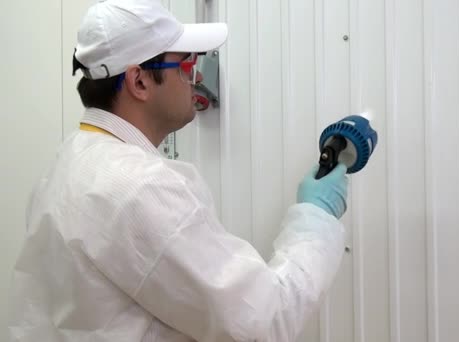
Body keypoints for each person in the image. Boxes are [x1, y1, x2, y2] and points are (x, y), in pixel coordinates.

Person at [7, 0, 349, 341]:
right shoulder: (139, 189)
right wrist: (315, 218)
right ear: (139, 82)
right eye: (185, 65)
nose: (197, 77)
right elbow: (265, 318)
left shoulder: (68, 163)